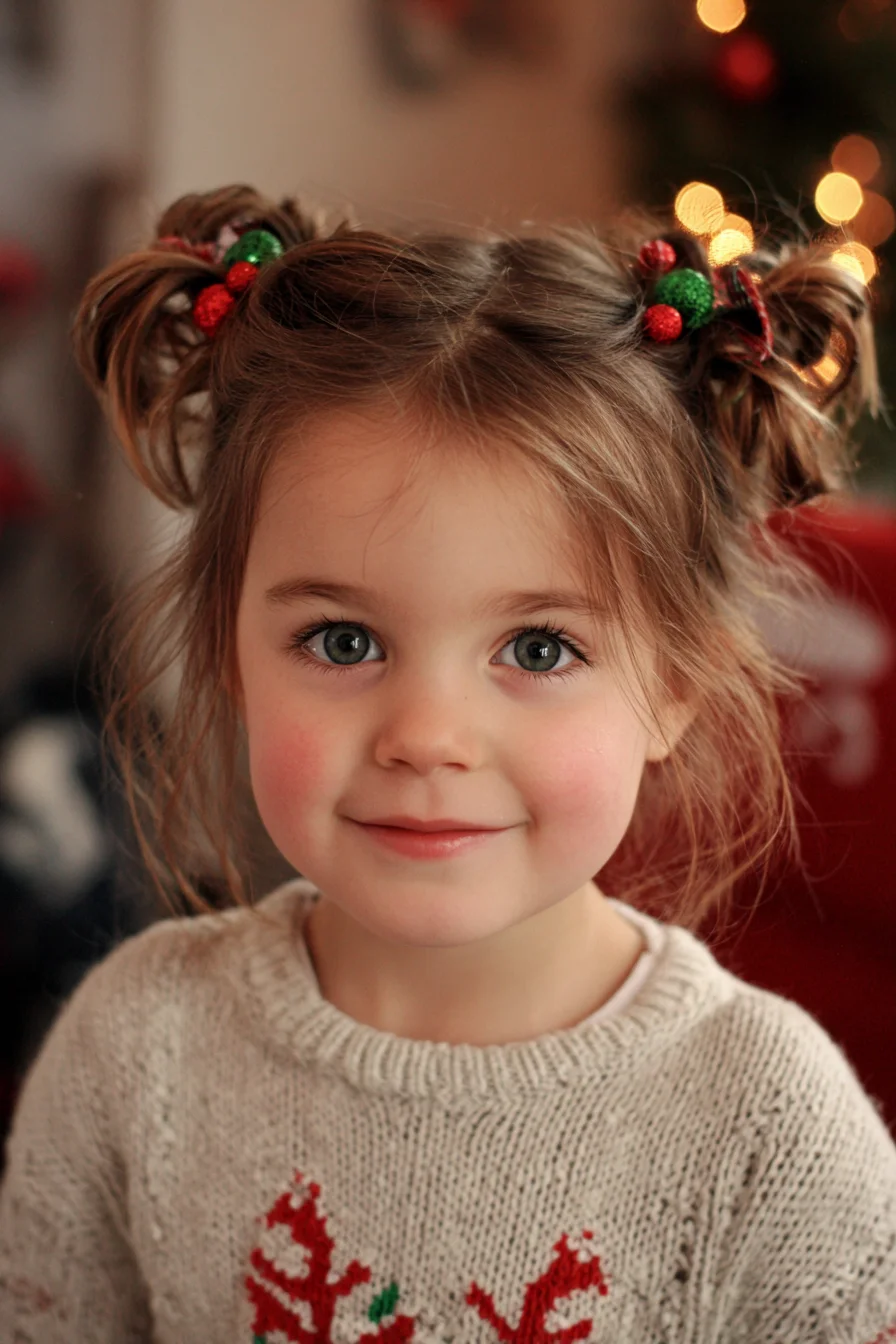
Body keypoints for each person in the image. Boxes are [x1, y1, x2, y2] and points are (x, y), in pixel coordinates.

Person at [0, 184, 894, 1343]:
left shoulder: (769, 1126)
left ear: (672, 683)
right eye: (342, 641)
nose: (425, 735)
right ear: (230, 651)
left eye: (537, 647)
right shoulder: (132, 1049)